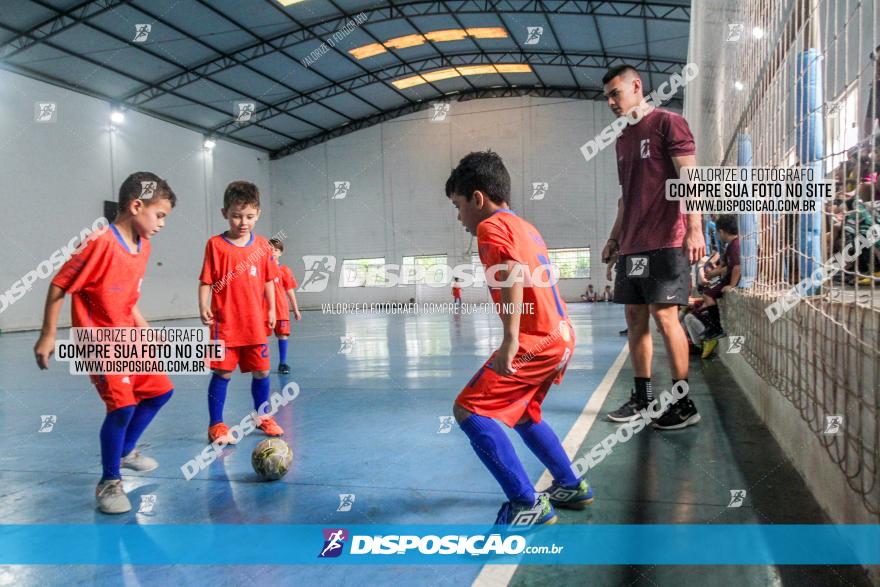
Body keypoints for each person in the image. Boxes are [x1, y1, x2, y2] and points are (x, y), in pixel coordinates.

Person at [445, 151, 591, 525]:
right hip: (561, 334)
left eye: (459, 206)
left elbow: (509, 271)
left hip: (535, 338)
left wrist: (510, 338)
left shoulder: (489, 227)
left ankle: (526, 503)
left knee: (468, 409)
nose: (459, 217)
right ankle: (570, 484)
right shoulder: (526, 226)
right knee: (526, 413)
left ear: (477, 198)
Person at [33, 172, 177, 514]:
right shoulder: (99, 242)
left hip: (128, 335)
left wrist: (146, 330)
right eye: (160, 215)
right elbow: (59, 285)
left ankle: (125, 451)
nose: (162, 224)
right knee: (122, 407)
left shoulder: (144, 246)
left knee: (160, 391)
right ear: (136, 205)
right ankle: (109, 481)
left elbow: (127, 298)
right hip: (99, 340)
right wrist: (48, 334)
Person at [600, 65, 705, 429]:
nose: (612, 102)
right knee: (635, 319)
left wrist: (695, 226)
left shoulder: (667, 122)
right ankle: (642, 399)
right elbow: (626, 198)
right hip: (633, 245)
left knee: (665, 316)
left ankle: (683, 402)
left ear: (636, 86)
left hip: (667, 239)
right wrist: (615, 238)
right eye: (608, 98)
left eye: (616, 93)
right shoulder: (623, 140)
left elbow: (689, 176)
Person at [199, 181, 280, 445]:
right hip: (225, 325)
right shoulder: (215, 245)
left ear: (258, 214)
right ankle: (216, 425)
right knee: (222, 374)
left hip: (255, 324)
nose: (242, 222)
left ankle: (263, 416)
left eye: (249, 216)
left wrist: (273, 310)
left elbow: (268, 280)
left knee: (263, 373)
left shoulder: (263, 247)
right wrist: (202, 304)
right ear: (225, 213)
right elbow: (206, 281)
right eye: (236, 215)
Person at [699, 215, 741, 356]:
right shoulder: (731, 245)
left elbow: (737, 267)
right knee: (706, 291)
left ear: (722, 232)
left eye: (718, 232)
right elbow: (726, 265)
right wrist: (714, 273)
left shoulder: (735, 245)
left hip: (729, 281)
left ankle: (716, 328)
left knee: (707, 294)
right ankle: (713, 327)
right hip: (724, 279)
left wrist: (732, 285)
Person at [268, 239, 301, 375]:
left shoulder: (284, 270)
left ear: (280, 253)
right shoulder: (260, 269)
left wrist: (296, 309)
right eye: (270, 249)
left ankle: (282, 363)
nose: (272, 252)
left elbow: (289, 291)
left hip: (281, 310)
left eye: (276, 250)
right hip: (264, 311)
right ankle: (260, 364)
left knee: (282, 336)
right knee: (261, 337)